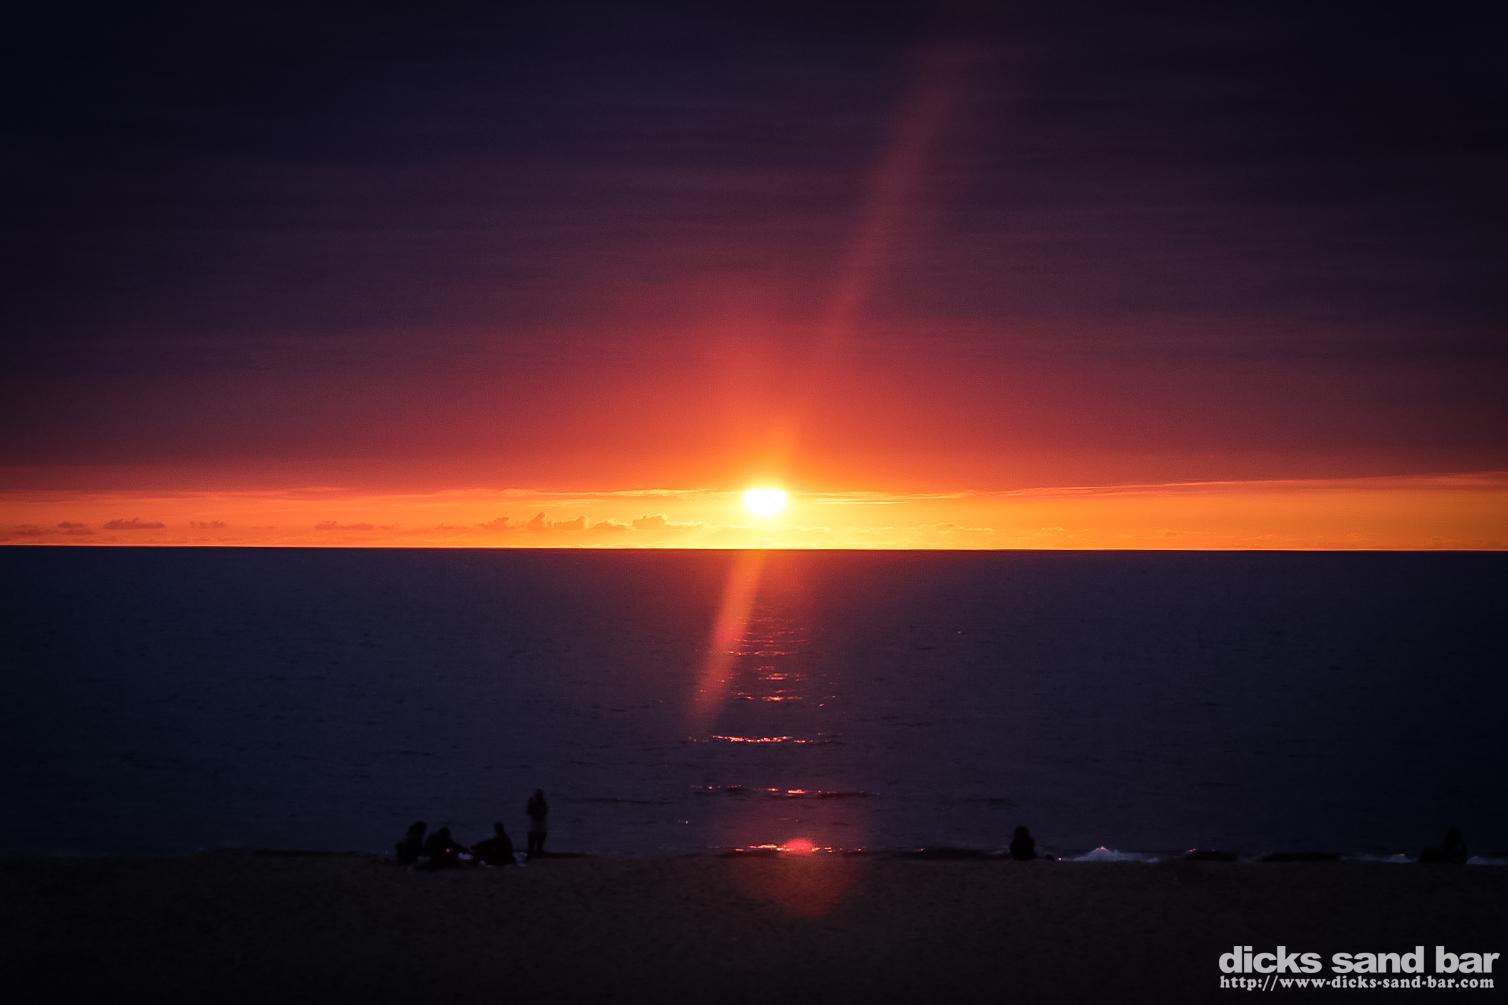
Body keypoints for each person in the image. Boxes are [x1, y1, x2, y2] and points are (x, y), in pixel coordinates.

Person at [526, 789, 549, 859]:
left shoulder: (542, 804)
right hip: (538, 828)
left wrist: (531, 804)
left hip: (538, 828)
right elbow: (529, 812)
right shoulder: (542, 804)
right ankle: (535, 856)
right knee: (535, 845)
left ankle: (534, 856)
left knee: (536, 845)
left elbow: (538, 814)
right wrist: (530, 804)